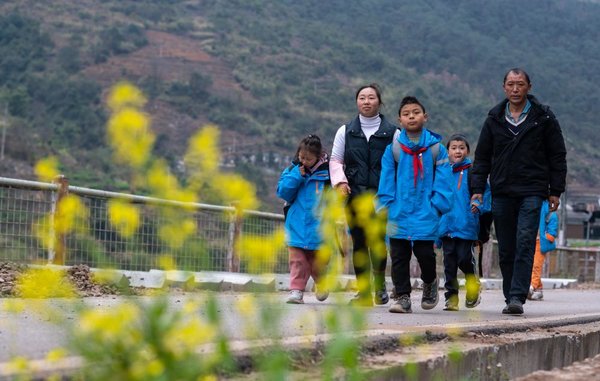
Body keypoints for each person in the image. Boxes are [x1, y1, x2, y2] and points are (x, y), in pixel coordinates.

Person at [470, 68, 567, 315]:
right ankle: (510, 293)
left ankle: (517, 297)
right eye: (511, 84)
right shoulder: (494, 118)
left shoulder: (543, 117)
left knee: (525, 241)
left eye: (520, 84)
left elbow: (557, 155)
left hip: (533, 190)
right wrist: (478, 189)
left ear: (529, 87)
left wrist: (555, 190)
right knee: (506, 246)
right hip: (502, 190)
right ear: (504, 87)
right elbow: (481, 157)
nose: (515, 89)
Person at [377, 96, 453, 313]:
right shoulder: (393, 150)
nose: (411, 116)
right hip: (398, 212)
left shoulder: (437, 149)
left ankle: (430, 282)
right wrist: (386, 207)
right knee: (398, 256)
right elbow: (386, 182)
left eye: (416, 112)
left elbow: (444, 181)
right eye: (406, 113)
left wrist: (436, 206)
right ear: (400, 120)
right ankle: (402, 297)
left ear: (425, 117)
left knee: (425, 255)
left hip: (425, 212)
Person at [330, 83, 398, 306]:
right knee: (359, 242)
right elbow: (336, 160)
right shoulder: (346, 131)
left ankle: (380, 288)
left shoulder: (393, 133)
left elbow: (399, 164)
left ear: (379, 101)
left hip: (381, 197)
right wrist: (340, 182)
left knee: (377, 242)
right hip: (355, 196)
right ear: (356, 102)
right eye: (362, 98)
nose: (366, 101)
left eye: (371, 97)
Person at [438, 134, 491, 311]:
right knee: (449, 264)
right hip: (446, 226)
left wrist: (478, 204)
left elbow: (484, 194)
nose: (457, 151)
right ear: (447, 151)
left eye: (461, 147)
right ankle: (451, 298)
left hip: (466, 225)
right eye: (453, 147)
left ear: (467, 151)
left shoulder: (473, 172)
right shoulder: (442, 172)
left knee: (464, 259)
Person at [277, 135, 331, 304]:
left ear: (318, 157)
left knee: (317, 262)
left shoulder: (328, 173)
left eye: (309, 159)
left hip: (320, 226)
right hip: (297, 224)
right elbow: (283, 192)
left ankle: (321, 283)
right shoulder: (292, 170)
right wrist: (296, 176)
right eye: (301, 158)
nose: (304, 162)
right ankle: (296, 291)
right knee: (297, 260)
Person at [528, 199, 558, 301]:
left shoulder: (547, 207)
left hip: (539, 241)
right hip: (529, 239)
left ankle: (532, 287)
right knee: (530, 264)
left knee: (536, 265)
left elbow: (553, 222)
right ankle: (538, 289)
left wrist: (547, 236)